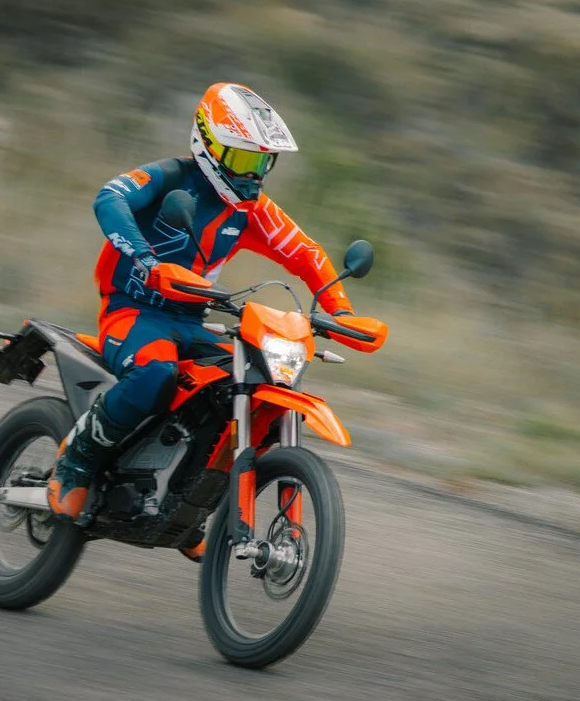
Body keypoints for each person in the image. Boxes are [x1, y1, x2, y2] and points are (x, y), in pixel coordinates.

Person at [47, 81, 358, 522]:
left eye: (262, 162)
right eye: (244, 160)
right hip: (132, 311)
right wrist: (148, 261)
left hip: (193, 320)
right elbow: (110, 199)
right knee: (155, 372)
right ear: (209, 144)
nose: (253, 175)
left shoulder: (252, 211)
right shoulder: (170, 178)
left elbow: (306, 254)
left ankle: (190, 506)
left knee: (253, 387)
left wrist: (341, 311)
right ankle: (76, 459)